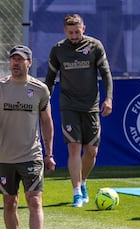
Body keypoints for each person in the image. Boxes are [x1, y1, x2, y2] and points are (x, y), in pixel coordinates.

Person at [0, 45, 55, 229]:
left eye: (20, 59)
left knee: (34, 200)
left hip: (31, 154)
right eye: (13, 59)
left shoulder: (40, 89)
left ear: (29, 63)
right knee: (9, 203)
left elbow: (47, 122)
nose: (15, 62)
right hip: (5, 157)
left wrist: (49, 154)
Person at [44, 14, 113, 208]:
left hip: (91, 106)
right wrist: (44, 98)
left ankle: (83, 183)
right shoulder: (58, 50)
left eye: (77, 31)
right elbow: (50, 78)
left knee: (91, 151)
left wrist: (108, 98)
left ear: (84, 28)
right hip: (69, 105)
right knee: (74, 147)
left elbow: (106, 74)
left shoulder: (95, 46)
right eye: (70, 32)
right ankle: (76, 193)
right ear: (65, 31)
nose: (74, 35)